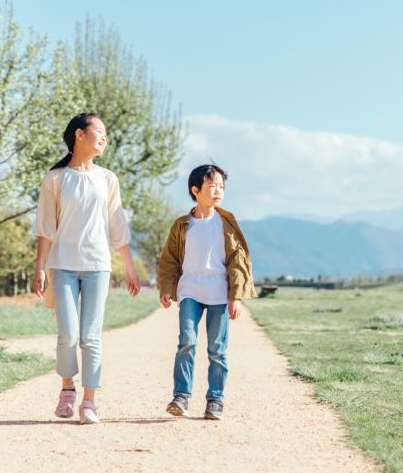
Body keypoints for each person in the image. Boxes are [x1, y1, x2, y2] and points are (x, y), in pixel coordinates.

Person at [34, 112, 140, 425]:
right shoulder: (55, 179)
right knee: (67, 334)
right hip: (62, 265)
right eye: (100, 131)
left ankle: (89, 402)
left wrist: (130, 269)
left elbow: (117, 226)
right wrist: (40, 268)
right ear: (80, 135)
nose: (105, 138)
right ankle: (67, 389)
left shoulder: (107, 178)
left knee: (90, 336)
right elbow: (45, 228)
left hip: (97, 266)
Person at [158, 163, 256, 420]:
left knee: (217, 349)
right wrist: (167, 288)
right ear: (195, 190)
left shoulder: (226, 224)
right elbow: (169, 260)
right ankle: (181, 396)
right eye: (212, 186)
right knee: (186, 342)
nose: (218, 191)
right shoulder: (182, 225)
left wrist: (235, 296)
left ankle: (215, 400)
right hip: (190, 289)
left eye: (222, 187)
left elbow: (238, 262)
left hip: (218, 294)